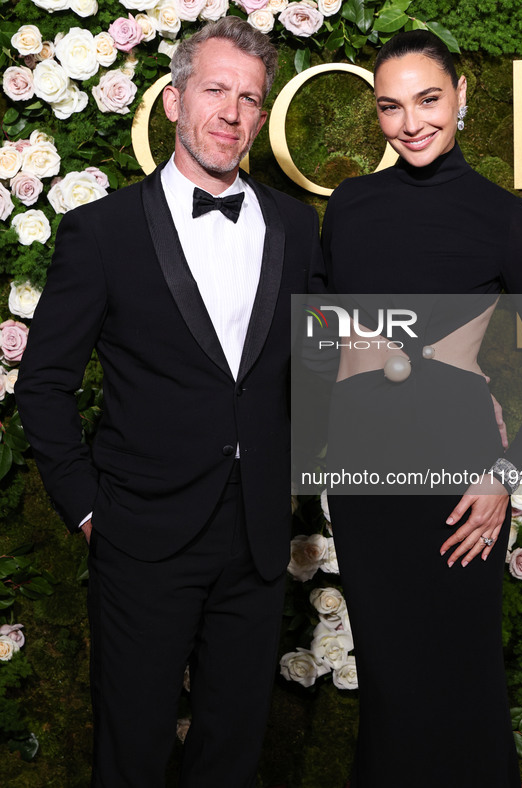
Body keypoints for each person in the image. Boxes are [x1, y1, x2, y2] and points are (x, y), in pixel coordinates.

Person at [16, 17, 322, 788]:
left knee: (232, 748)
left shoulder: (295, 225)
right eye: (215, 90)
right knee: (133, 746)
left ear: (261, 114)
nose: (232, 112)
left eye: (249, 98)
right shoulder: (102, 231)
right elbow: (44, 385)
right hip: (140, 535)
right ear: (176, 99)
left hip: (255, 536)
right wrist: (89, 511)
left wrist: (463, 388)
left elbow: (337, 360)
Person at [317, 30, 522, 788]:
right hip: (364, 468)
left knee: (460, 679)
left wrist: (504, 470)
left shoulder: (500, 216)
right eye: (390, 107)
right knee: (391, 688)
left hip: (457, 471)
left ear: (460, 95)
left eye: (427, 100)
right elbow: (322, 332)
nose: (410, 123)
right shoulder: (351, 206)